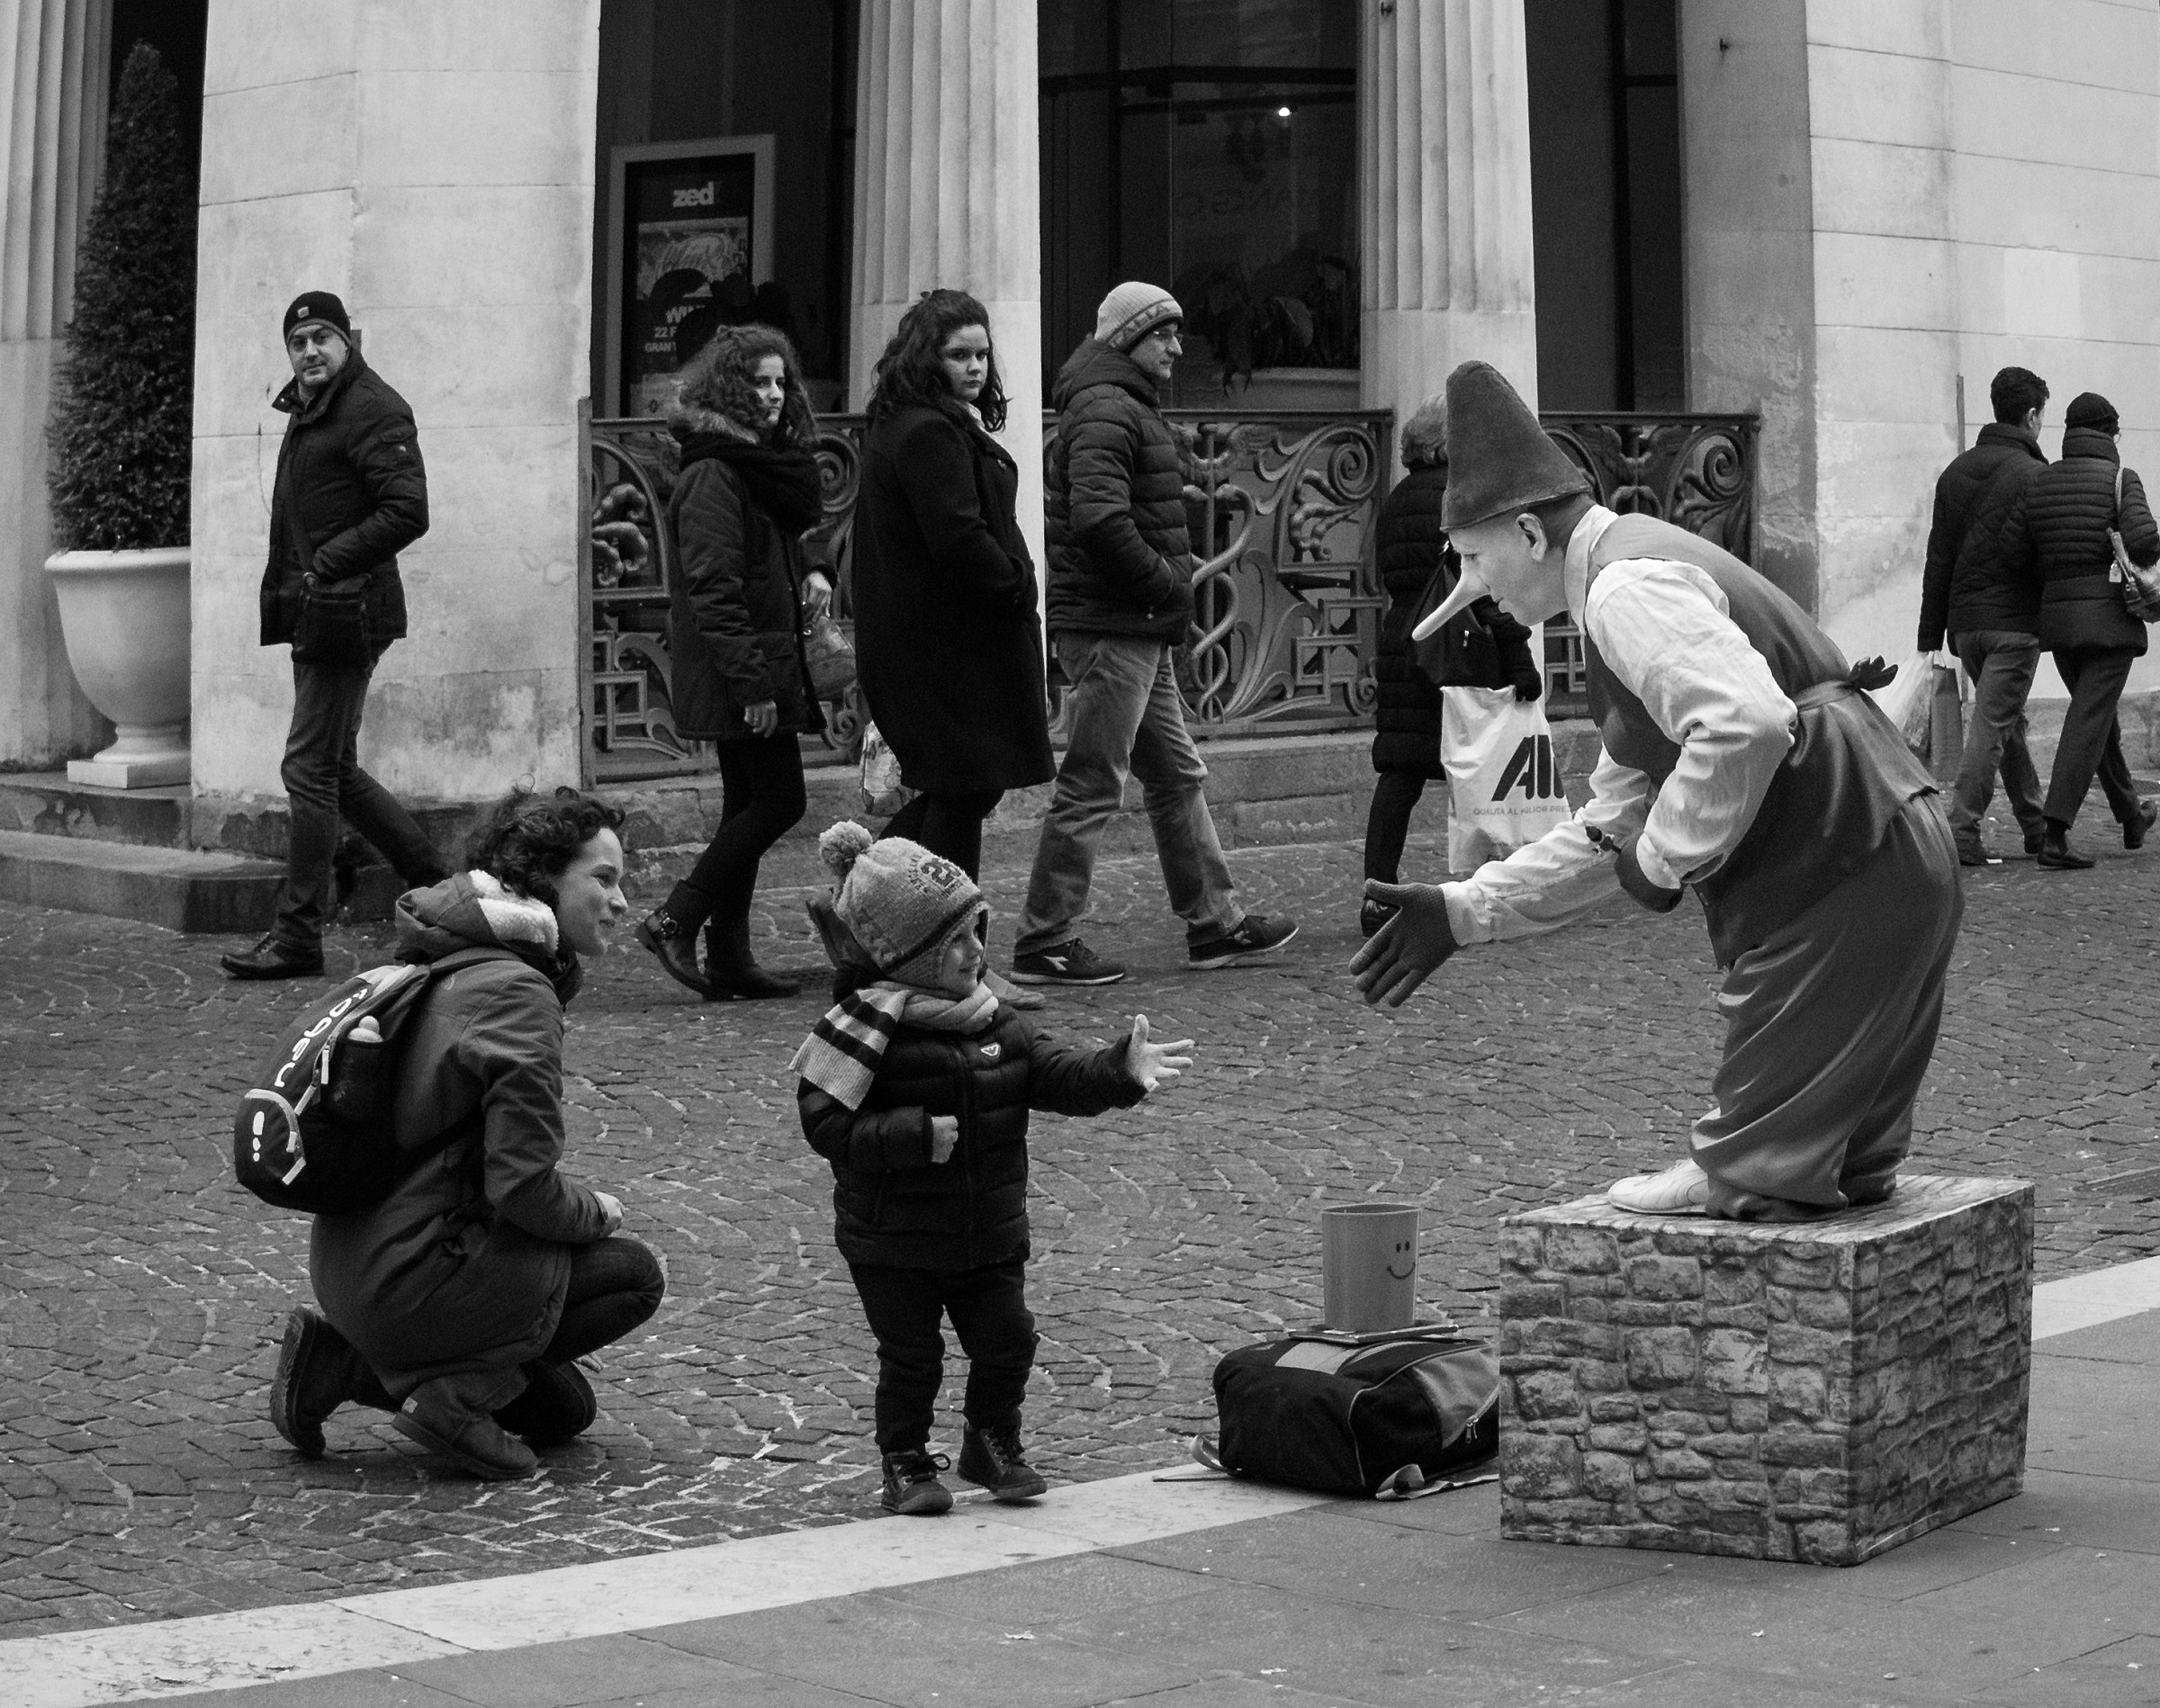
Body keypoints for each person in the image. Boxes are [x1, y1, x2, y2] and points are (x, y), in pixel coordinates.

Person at [1354, 362, 1960, 1223]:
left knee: (1762, 1168)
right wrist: (1467, 908)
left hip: (1838, 855)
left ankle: (1739, 1169)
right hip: (1892, 829)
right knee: (1847, 1156)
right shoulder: (1633, 562)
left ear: (1530, 533)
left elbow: (1744, 725)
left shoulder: (1622, 588)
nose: (1477, 587)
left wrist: (1662, 859)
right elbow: (1615, 815)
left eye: (1477, 559)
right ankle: (1778, 1162)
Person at [794, 823, 1193, 1515]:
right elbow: (826, 1125)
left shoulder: (994, 1021)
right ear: (908, 956)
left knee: (1008, 1341)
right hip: (893, 1241)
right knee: (912, 1358)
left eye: (976, 930)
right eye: (953, 942)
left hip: (988, 1230)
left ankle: (992, 1442)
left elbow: (1054, 1072)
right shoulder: (860, 1029)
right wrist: (914, 1134)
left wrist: (1118, 1070)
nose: (976, 952)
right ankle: (906, 1463)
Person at [267, 787, 666, 1481]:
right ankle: (449, 1402)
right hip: (416, 1275)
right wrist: (595, 1213)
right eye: (602, 879)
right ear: (543, 883)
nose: (622, 901)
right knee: (631, 1275)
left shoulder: (444, 948)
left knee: (562, 1414)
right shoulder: (517, 994)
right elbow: (522, 1189)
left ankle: (343, 1364)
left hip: (350, 1264)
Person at [1010, 281, 1297, 986]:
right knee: (1093, 780)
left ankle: (1216, 925)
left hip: (1135, 623)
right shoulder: (1109, 406)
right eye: (1162, 333)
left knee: (1175, 774)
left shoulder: (1121, 402)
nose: (1175, 345)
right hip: (1117, 625)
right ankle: (1044, 938)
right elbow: (1100, 519)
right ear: (1128, 338)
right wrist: (1167, 583)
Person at [221, 292, 446, 979]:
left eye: (322, 337)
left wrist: (326, 565)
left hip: (348, 608)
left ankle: (297, 935)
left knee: (308, 767)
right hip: (322, 607)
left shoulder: (373, 406)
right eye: (298, 342)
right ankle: (439, 890)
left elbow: (408, 509)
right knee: (335, 770)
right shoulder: (317, 406)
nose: (310, 350)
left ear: (348, 340)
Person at [852, 289, 1054, 1008]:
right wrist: (1014, 584)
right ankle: (955, 958)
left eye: (981, 353)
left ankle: (866, 899)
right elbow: (959, 537)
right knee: (961, 789)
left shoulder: (921, 425)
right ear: (927, 358)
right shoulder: (925, 433)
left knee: (962, 787)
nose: (975, 366)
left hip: (943, 639)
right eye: (959, 354)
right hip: (944, 644)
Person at [633, 325, 832, 999]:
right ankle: (674, 918)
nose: (774, 395)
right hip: (740, 669)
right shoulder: (715, 470)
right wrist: (751, 682)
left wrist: (816, 566)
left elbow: (793, 533)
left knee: (747, 803)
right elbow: (713, 588)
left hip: (760, 659)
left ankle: (729, 956)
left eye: (782, 382)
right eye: (759, 383)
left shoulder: (756, 463)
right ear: (729, 387)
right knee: (781, 799)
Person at [1364, 395, 1542, 935]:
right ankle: (1499, 884)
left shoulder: (1396, 500)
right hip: (1460, 650)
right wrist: (1518, 656)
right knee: (1482, 770)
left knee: (1399, 773)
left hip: (1405, 643)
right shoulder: (1456, 501)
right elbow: (1483, 586)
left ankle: (1376, 893)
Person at [1998, 391, 2160, 868]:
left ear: (2068, 433)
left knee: (2097, 717)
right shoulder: (2120, 479)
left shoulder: (2041, 482)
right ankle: (2056, 831)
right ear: (2110, 433)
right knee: (2089, 719)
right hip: (2110, 620)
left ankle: (2131, 815)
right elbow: (2144, 542)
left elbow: (2013, 551)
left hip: (2060, 622)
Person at [1916, 366, 2053, 866]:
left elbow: (1939, 559)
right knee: (1991, 730)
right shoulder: (2036, 476)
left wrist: (1931, 633)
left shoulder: (1956, 472)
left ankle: (2036, 826)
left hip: (1966, 627)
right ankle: (1962, 831)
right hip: (2014, 626)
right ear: (2032, 416)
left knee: (2006, 724)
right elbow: (2042, 558)